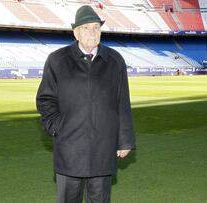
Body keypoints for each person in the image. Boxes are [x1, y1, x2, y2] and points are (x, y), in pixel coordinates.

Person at [36, 5, 135, 203]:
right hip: (69, 147)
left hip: (103, 147)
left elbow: (122, 102)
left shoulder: (115, 60)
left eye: (96, 27)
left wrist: (125, 140)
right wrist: (57, 127)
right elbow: (45, 100)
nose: (92, 32)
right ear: (76, 32)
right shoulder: (57, 60)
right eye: (86, 28)